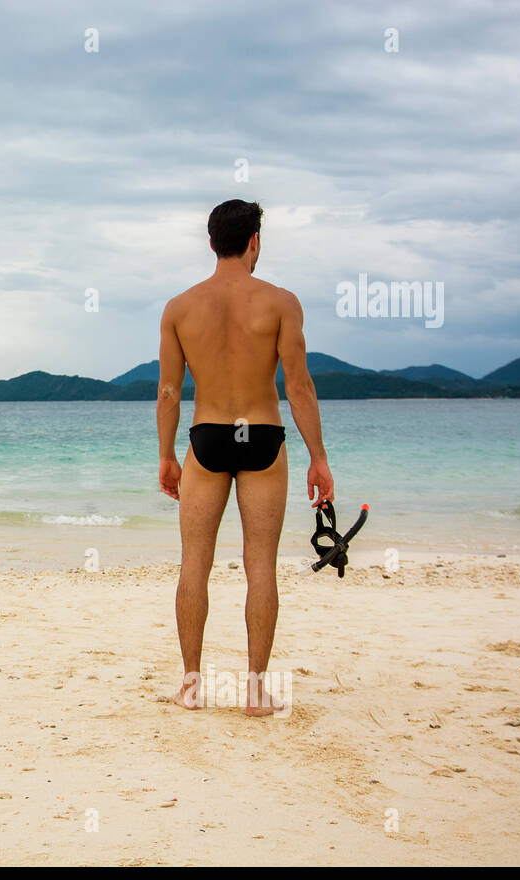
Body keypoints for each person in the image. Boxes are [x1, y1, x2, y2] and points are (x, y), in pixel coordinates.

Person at [156, 199, 335, 716]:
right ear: (254, 241)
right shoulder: (281, 302)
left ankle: (191, 685)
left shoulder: (180, 307)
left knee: (195, 565)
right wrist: (318, 457)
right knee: (261, 567)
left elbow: (169, 391)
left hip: (207, 436)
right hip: (262, 434)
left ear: (212, 243)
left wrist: (167, 455)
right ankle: (255, 690)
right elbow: (298, 386)